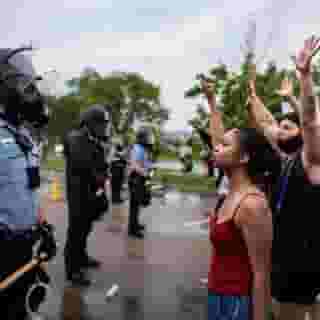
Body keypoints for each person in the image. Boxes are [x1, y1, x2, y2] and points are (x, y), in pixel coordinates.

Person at [248, 36, 320, 319]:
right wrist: (253, 95)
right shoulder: (286, 157)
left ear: (301, 133)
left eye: (287, 126)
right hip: (282, 264)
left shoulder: (312, 160)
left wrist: (304, 77)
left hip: (305, 271)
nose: (279, 129)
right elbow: (266, 123)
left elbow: (311, 120)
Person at [201, 78, 274, 320]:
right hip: (216, 297)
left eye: (225, 146)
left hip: (238, 304)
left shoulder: (252, 205)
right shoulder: (229, 192)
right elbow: (217, 140)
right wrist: (212, 102)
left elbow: (262, 275)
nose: (217, 148)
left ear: (243, 159)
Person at [0, 47, 52, 318]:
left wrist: (42, 226)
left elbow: (30, 188)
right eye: (25, 85)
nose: (32, 93)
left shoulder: (25, 138)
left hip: (24, 248)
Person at [63, 104, 111, 286]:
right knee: (76, 232)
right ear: (89, 124)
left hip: (91, 193)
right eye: (100, 124)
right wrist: (100, 173)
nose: (103, 128)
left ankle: (81, 257)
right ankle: (72, 270)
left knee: (86, 228)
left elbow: (100, 167)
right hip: (79, 194)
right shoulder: (76, 139)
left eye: (104, 125)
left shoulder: (93, 140)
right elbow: (84, 166)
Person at [128, 127, 153, 239]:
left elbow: (143, 162)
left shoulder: (142, 148)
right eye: (147, 137)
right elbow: (134, 165)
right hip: (136, 179)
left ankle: (135, 225)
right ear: (142, 138)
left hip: (140, 178)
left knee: (137, 205)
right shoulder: (138, 149)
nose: (149, 139)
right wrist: (145, 173)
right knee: (134, 205)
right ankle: (132, 229)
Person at [110, 138, 127, 204]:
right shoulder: (114, 150)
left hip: (119, 171)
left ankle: (117, 198)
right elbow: (112, 159)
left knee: (118, 186)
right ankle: (115, 199)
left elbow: (123, 159)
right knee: (115, 186)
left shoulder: (120, 150)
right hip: (116, 171)